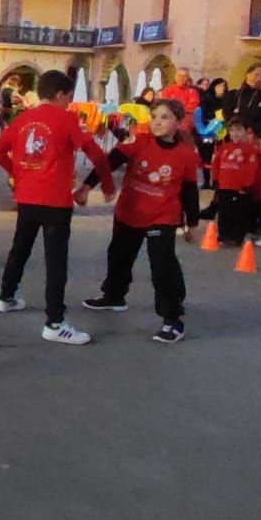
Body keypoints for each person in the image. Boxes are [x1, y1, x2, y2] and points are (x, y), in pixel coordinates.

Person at [0, 69, 115, 345]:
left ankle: (5, 296)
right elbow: (98, 156)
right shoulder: (67, 119)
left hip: (26, 196)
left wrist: (17, 173)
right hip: (55, 200)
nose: (69, 103)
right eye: (69, 98)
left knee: (20, 247)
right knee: (56, 260)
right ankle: (55, 322)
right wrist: (104, 186)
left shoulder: (23, 118)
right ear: (59, 95)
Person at [76, 99, 202, 343]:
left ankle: (172, 319)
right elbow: (109, 161)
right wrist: (86, 187)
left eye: (164, 117)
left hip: (162, 215)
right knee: (119, 255)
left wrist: (192, 224)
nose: (157, 121)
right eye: (154, 116)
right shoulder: (138, 142)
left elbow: (189, 190)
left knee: (161, 263)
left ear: (178, 122)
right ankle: (114, 296)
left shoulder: (186, 155)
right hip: (130, 210)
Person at [207, 118, 257, 244]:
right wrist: (215, 179)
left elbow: (252, 167)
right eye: (232, 130)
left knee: (239, 212)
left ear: (246, 131)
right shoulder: (224, 147)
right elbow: (216, 164)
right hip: (224, 186)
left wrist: (248, 184)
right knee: (224, 210)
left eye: (239, 130)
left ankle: (237, 236)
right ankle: (223, 234)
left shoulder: (250, 149)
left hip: (240, 187)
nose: (235, 133)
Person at [226, 64, 261, 136]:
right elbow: (227, 114)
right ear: (247, 74)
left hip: (260, 136)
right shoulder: (233, 94)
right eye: (256, 75)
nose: (259, 78)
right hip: (237, 135)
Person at [194, 77, 228, 189]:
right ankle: (206, 181)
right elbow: (202, 116)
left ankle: (217, 181)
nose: (222, 88)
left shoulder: (228, 100)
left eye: (224, 85)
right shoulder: (207, 99)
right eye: (219, 85)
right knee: (207, 157)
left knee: (221, 158)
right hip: (208, 132)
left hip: (223, 133)